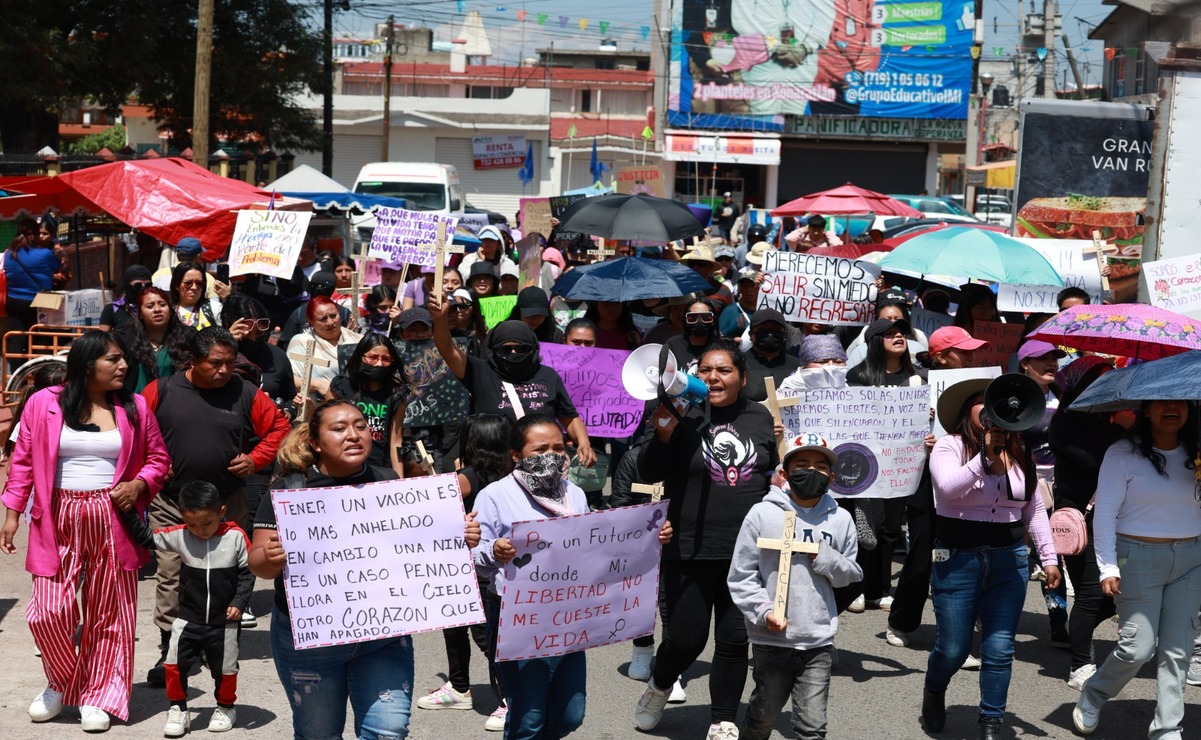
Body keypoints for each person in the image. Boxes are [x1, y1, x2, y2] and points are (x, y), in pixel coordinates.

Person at [250, 399, 480, 740]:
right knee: (319, 735)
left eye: (360, 426)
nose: (353, 435)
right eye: (339, 428)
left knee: (388, 732)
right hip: (311, 642)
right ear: (315, 442)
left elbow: (419, 547)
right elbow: (259, 566)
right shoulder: (288, 491)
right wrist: (270, 556)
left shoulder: (388, 483)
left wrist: (459, 536)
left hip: (383, 638)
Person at [0, 331, 171, 731]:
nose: (123, 366)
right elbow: (22, 460)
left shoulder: (135, 406)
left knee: (110, 612)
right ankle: (62, 682)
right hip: (57, 515)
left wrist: (139, 484)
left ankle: (99, 694)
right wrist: (11, 512)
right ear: (86, 363)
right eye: (113, 359)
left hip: (114, 515)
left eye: (123, 359)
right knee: (47, 611)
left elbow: (159, 459)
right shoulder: (45, 403)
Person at [476, 414, 672, 738]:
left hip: (568, 615)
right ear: (516, 455)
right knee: (528, 716)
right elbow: (472, 560)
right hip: (519, 615)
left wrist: (649, 536)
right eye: (539, 450)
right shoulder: (494, 496)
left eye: (558, 447)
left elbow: (598, 546)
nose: (551, 456)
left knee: (570, 713)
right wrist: (493, 552)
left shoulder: (575, 494)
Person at [634, 339, 779, 740]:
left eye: (725, 370)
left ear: (743, 378)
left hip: (748, 554)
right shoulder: (682, 414)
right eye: (706, 371)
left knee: (734, 641)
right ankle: (660, 684)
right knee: (685, 639)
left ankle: (723, 719)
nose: (713, 377)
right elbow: (647, 471)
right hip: (689, 548)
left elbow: (780, 472)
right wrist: (662, 435)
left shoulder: (763, 419)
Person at [141, 327, 290, 686]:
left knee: (224, 575)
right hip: (172, 503)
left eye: (229, 362)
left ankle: (220, 645)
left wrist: (256, 459)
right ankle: (171, 652)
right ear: (192, 360)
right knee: (172, 574)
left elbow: (280, 429)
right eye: (215, 363)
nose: (224, 370)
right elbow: (134, 430)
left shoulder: (246, 392)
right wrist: (154, 460)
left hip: (227, 503)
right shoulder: (161, 390)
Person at [923, 377, 1060, 739]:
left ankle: (991, 722)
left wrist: (1049, 559)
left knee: (999, 648)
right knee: (953, 649)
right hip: (957, 559)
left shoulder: (1019, 452)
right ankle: (934, 690)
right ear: (968, 411)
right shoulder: (950, 446)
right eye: (984, 403)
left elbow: (1033, 510)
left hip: (1008, 559)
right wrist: (982, 460)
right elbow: (947, 490)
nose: (994, 411)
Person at [1072, 399, 1201, 737]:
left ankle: (1167, 729)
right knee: (1137, 648)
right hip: (1136, 558)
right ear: (1147, 409)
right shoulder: (1122, 453)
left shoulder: (1197, 452)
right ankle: (1095, 692)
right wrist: (1107, 566)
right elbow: (1105, 513)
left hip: (1190, 559)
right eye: (1162, 403)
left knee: (1178, 651)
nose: (1172, 409)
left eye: (1180, 403)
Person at [729, 432, 862, 740]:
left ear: (832, 476)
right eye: (802, 465)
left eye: (820, 466)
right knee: (764, 717)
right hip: (772, 638)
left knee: (812, 727)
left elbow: (850, 575)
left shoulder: (840, 519)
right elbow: (741, 575)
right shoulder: (762, 514)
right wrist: (764, 611)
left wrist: (823, 556)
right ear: (785, 474)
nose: (811, 472)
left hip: (817, 638)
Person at [118, 481, 252, 736]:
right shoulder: (180, 535)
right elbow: (146, 537)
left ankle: (226, 707)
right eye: (192, 524)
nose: (200, 531)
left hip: (224, 621)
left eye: (207, 523)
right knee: (173, 665)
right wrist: (127, 510)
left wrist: (239, 602)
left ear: (222, 511)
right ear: (183, 517)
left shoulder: (236, 537)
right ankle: (178, 708)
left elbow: (247, 574)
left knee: (225, 670)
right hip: (188, 617)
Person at [884, 326, 987, 651]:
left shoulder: (983, 387)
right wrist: (920, 427)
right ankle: (901, 621)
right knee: (921, 557)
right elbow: (892, 433)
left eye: (973, 350)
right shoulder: (916, 385)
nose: (971, 356)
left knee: (966, 558)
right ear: (941, 356)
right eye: (963, 350)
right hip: (926, 483)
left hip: (969, 479)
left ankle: (957, 635)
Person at [418, 414, 513, 732]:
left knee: (480, 634)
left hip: (469, 564)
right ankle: (460, 688)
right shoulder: (510, 475)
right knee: (460, 626)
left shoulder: (465, 478)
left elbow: (431, 511)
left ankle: (509, 698)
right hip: (493, 562)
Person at [428, 294, 596, 467]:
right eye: (506, 350)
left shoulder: (548, 376)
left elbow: (570, 417)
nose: (514, 353)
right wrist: (440, 319)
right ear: (493, 349)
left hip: (540, 465)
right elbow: (447, 349)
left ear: (532, 349)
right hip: (492, 465)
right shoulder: (480, 372)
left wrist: (584, 443)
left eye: (521, 348)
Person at [1047, 356, 1122, 690]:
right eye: (1101, 379)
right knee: (1092, 595)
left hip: (1119, 517)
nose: (1108, 385)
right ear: (1082, 385)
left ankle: (1081, 632)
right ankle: (1080, 665)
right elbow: (1093, 463)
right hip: (1080, 519)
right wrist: (1122, 430)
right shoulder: (1065, 422)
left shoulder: (1115, 421)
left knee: (1117, 595)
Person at [1015, 339, 1070, 645]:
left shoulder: (1065, 397)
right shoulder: (1014, 399)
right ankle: (997, 616)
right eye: (1042, 358)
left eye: (1054, 358)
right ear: (1025, 364)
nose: (1051, 363)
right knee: (1018, 554)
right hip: (1023, 484)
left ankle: (1058, 622)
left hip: (1060, 484)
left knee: (1054, 552)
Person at [328, 333, 408, 474]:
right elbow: (327, 429)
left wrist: (399, 483)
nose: (379, 363)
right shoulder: (341, 387)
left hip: (379, 469)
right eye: (372, 358)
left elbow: (396, 441)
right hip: (343, 468)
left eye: (386, 359)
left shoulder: (396, 394)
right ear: (360, 357)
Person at [115, 286, 196, 393]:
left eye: (162, 305)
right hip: (136, 405)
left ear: (171, 310)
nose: (157, 310)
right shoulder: (125, 339)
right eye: (149, 306)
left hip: (175, 402)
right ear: (140, 314)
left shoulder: (188, 337)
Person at [286, 295, 363, 400]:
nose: (330, 322)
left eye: (333, 316)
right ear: (311, 322)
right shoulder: (301, 343)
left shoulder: (358, 341)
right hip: (316, 407)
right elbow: (288, 379)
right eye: (323, 319)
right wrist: (317, 385)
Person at [4, 218, 61, 357]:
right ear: (35, 235)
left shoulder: (9, 254)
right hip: (40, 302)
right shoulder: (44, 253)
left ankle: (15, 373)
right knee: (41, 336)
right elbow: (57, 266)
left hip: (13, 301)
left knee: (17, 337)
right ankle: (38, 370)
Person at [278, 271, 352, 346]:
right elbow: (287, 344)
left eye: (333, 316)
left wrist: (348, 335)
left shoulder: (344, 313)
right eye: (314, 285)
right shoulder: (299, 313)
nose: (319, 289)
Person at [743, 309, 801, 402]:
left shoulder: (798, 367)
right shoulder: (739, 364)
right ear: (751, 334)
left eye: (776, 329)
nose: (770, 333)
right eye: (762, 329)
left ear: (785, 335)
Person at [663, 297, 721, 375]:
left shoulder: (722, 346)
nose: (699, 321)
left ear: (713, 319)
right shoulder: (673, 344)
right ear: (686, 320)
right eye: (693, 317)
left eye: (706, 317)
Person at [779, 334, 849, 392]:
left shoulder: (851, 394)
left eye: (838, 361)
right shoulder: (787, 391)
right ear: (805, 365)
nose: (831, 366)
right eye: (821, 362)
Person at [98, 265, 153, 334]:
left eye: (148, 285)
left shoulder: (155, 309)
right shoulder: (112, 309)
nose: (143, 288)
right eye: (137, 285)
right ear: (127, 286)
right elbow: (103, 339)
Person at [169, 261, 221, 330]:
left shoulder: (214, 308)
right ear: (176, 285)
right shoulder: (168, 310)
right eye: (188, 283)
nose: (194, 287)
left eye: (199, 283)